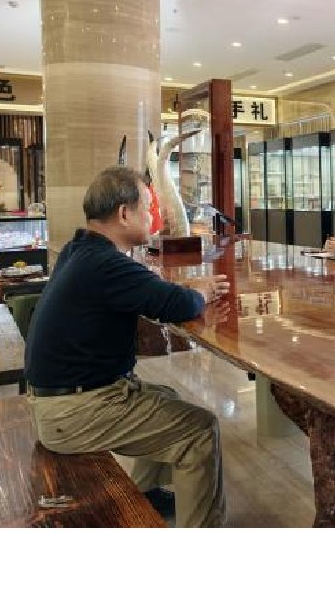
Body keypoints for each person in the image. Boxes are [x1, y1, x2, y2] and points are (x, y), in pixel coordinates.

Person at [23, 166, 231, 527]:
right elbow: (177, 305)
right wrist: (201, 291)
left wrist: (182, 291)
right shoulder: (105, 264)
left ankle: (146, 494)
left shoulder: (79, 250)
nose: (154, 216)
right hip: (72, 412)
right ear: (123, 213)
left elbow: (149, 291)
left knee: (166, 396)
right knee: (200, 430)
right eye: (148, 208)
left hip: (61, 400)